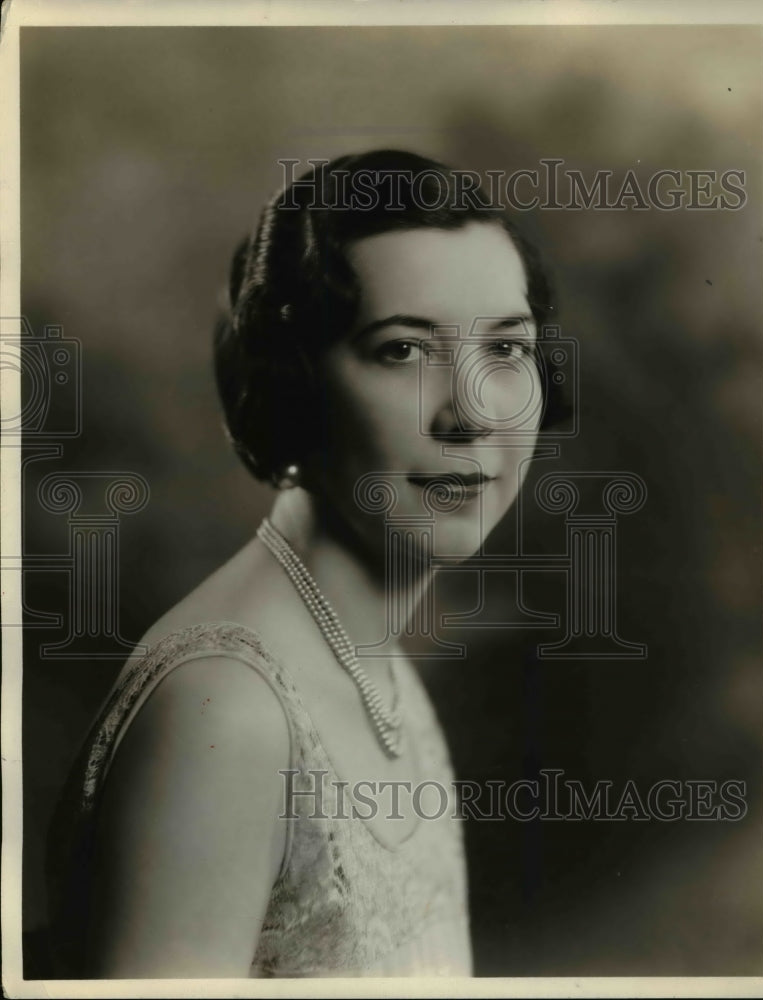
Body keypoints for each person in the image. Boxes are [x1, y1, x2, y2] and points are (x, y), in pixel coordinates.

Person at [46, 150, 561, 978]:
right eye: (401, 351)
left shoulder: (371, 661)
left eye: (507, 350)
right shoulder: (227, 710)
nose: (471, 413)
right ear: (292, 383)